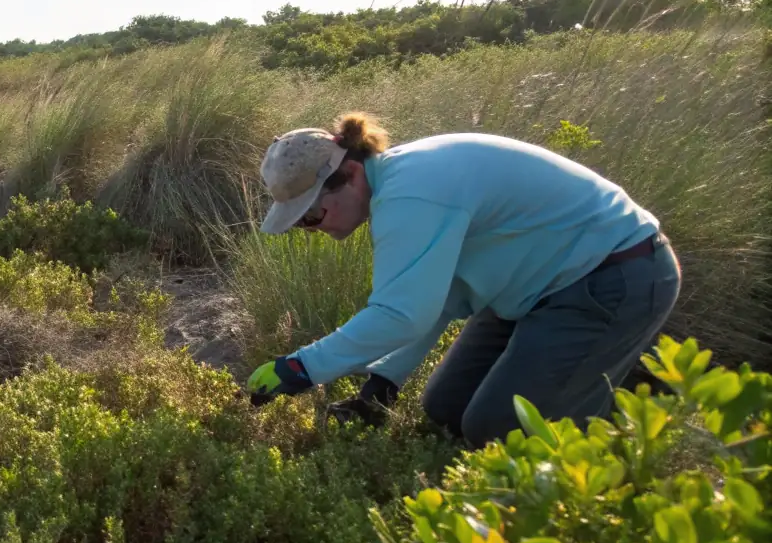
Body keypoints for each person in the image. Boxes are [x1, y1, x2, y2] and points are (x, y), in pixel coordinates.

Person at [244, 113, 680, 446]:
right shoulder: (398, 185)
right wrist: (383, 384)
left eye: (312, 215)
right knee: (445, 410)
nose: (314, 229)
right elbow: (436, 297)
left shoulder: (411, 193)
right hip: (535, 289)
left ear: (351, 175)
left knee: (500, 429)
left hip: (613, 275)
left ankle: (637, 406)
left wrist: (300, 368)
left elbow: (401, 314)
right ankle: (600, 373)